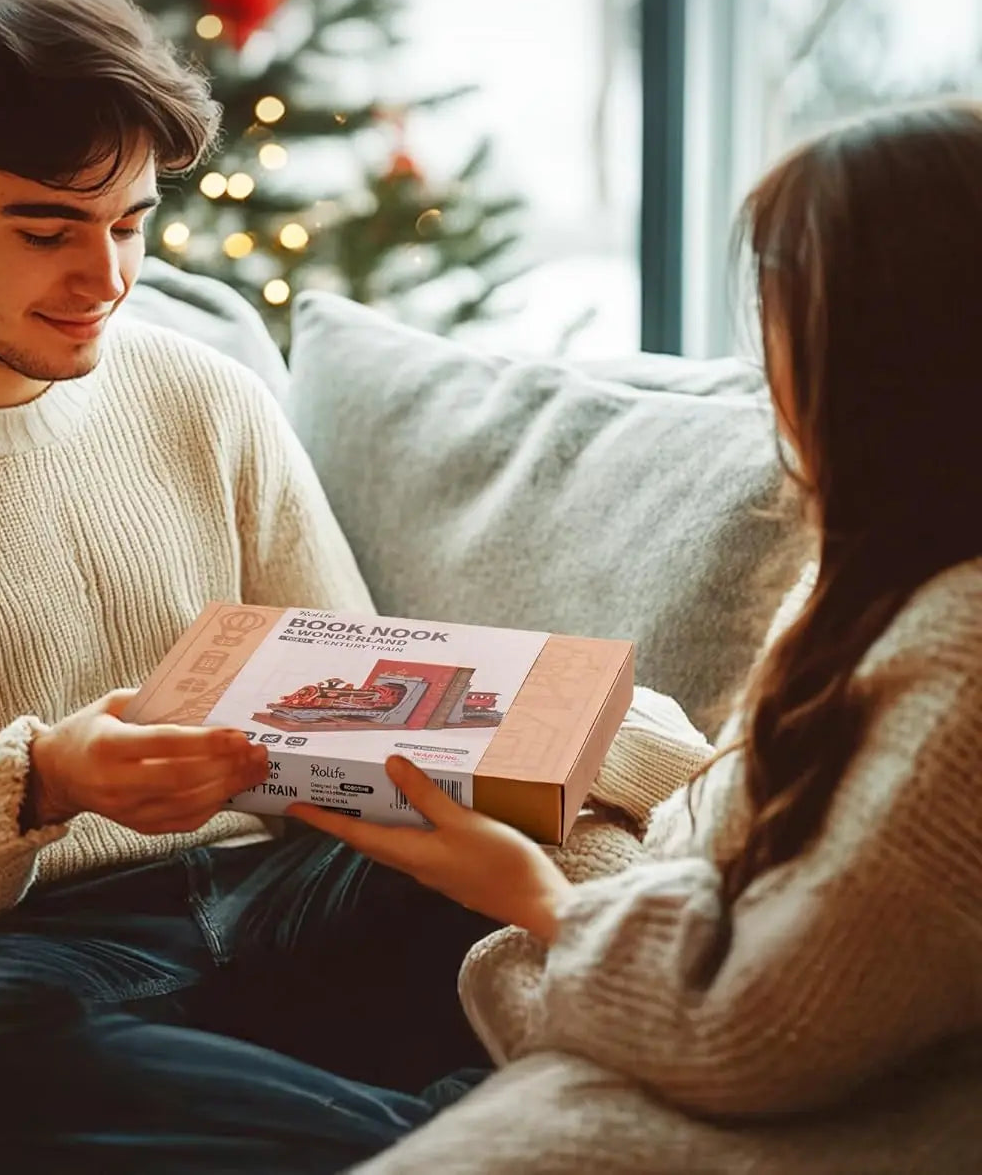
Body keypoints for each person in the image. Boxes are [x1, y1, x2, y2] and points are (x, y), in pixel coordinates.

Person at [0, 0, 500, 1175]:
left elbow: (366, 706)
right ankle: (473, 1144)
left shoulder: (206, 396)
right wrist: (43, 787)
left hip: (281, 895)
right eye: (48, 230)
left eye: (128, 224)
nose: (106, 280)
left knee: (520, 891)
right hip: (31, 951)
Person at [290, 101, 982, 1173]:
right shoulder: (884, 569)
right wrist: (614, 752)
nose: (772, 364)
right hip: (655, 995)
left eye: (786, 313)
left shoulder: (962, 664)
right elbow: (778, 822)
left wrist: (528, 892)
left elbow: (759, 1026)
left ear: (893, 355)